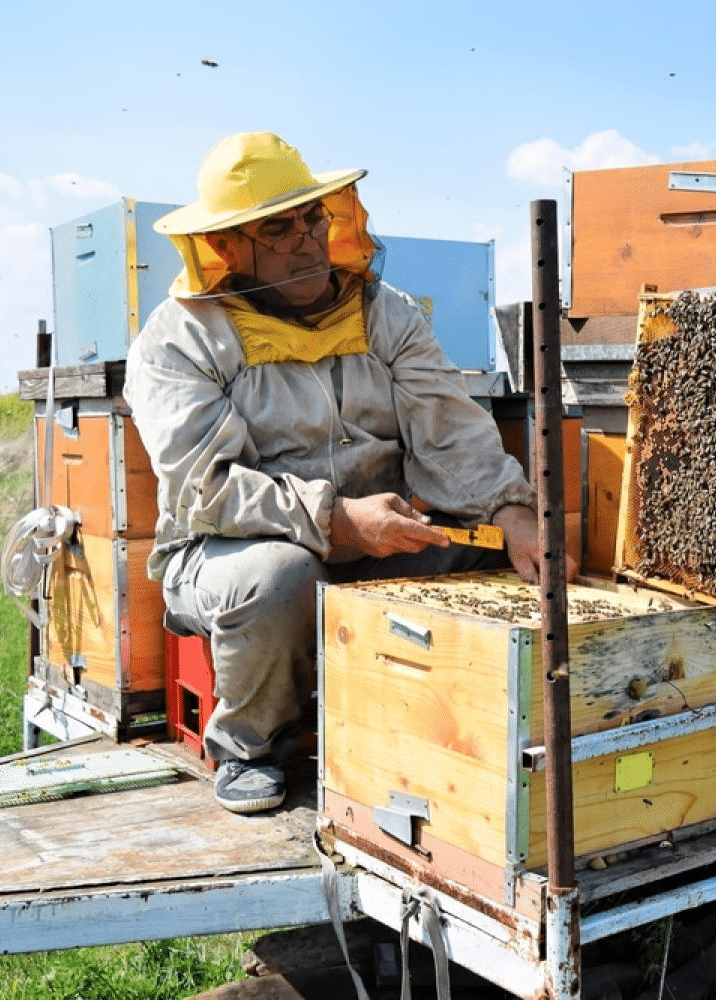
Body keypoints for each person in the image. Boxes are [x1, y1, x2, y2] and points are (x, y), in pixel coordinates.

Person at [125, 132, 568, 814]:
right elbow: (201, 489)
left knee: (484, 560)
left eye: (312, 217)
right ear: (226, 246)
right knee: (281, 576)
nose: (306, 239)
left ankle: (446, 736)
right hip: (226, 550)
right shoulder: (179, 336)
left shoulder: (384, 310)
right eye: (279, 226)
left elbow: (449, 431)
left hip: (380, 535)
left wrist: (510, 511)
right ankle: (250, 745)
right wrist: (335, 520)